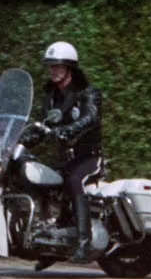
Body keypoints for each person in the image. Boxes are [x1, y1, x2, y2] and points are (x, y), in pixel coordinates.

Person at [38, 40, 104, 265]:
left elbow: (91, 117)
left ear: (70, 68)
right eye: (51, 66)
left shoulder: (88, 92)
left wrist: (69, 130)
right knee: (38, 179)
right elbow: (44, 123)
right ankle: (50, 242)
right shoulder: (51, 95)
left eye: (58, 66)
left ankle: (84, 242)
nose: (54, 70)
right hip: (64, 159)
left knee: (75, 180)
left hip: (89, 158)